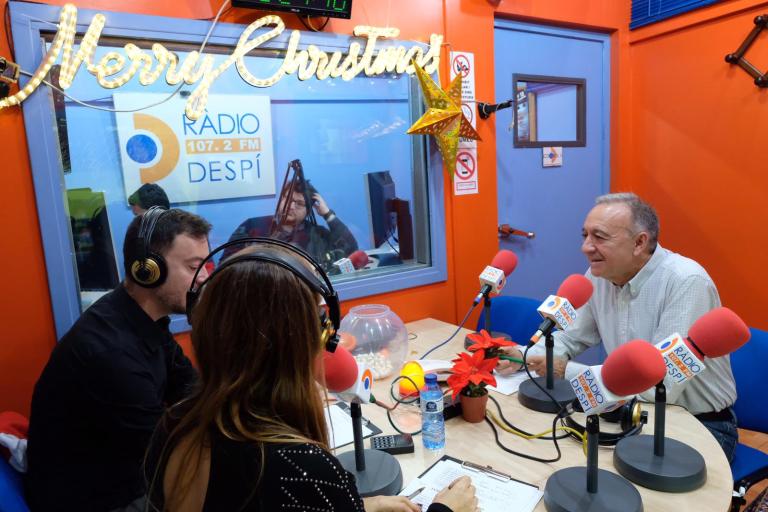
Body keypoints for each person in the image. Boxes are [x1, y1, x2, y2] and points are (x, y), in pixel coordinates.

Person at [145, 243, 478, 512]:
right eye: (319, 321)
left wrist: (357, 505)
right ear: (306, 341)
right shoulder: (299, 468)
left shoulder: (176, 424)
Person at [497, 192, 739, 462]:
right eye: (585, 236)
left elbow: (662, 384)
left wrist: (567, 371)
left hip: (699, 423)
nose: (586, 247)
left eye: (599, 237)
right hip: (627, 411)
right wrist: (524, 356)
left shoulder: (686, 281)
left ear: (639, 242)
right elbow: (569, 337)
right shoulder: (599, 276)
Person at [26, 208, 211, 511]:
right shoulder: (111, 353)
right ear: (148, 270)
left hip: (124, 474)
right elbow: (171, 450)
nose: (204, 277)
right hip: (98, 500)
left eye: (205, 265)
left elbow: (189, 389)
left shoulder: (143, 318)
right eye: (194, 267)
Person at [221, 179, 358, 268]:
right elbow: (226, 262)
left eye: (299, 203)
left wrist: (328, 214)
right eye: (287, 199)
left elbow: (351, 250)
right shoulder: (253, 225)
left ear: (308, 210)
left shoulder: (318, 235)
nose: (291, 206)